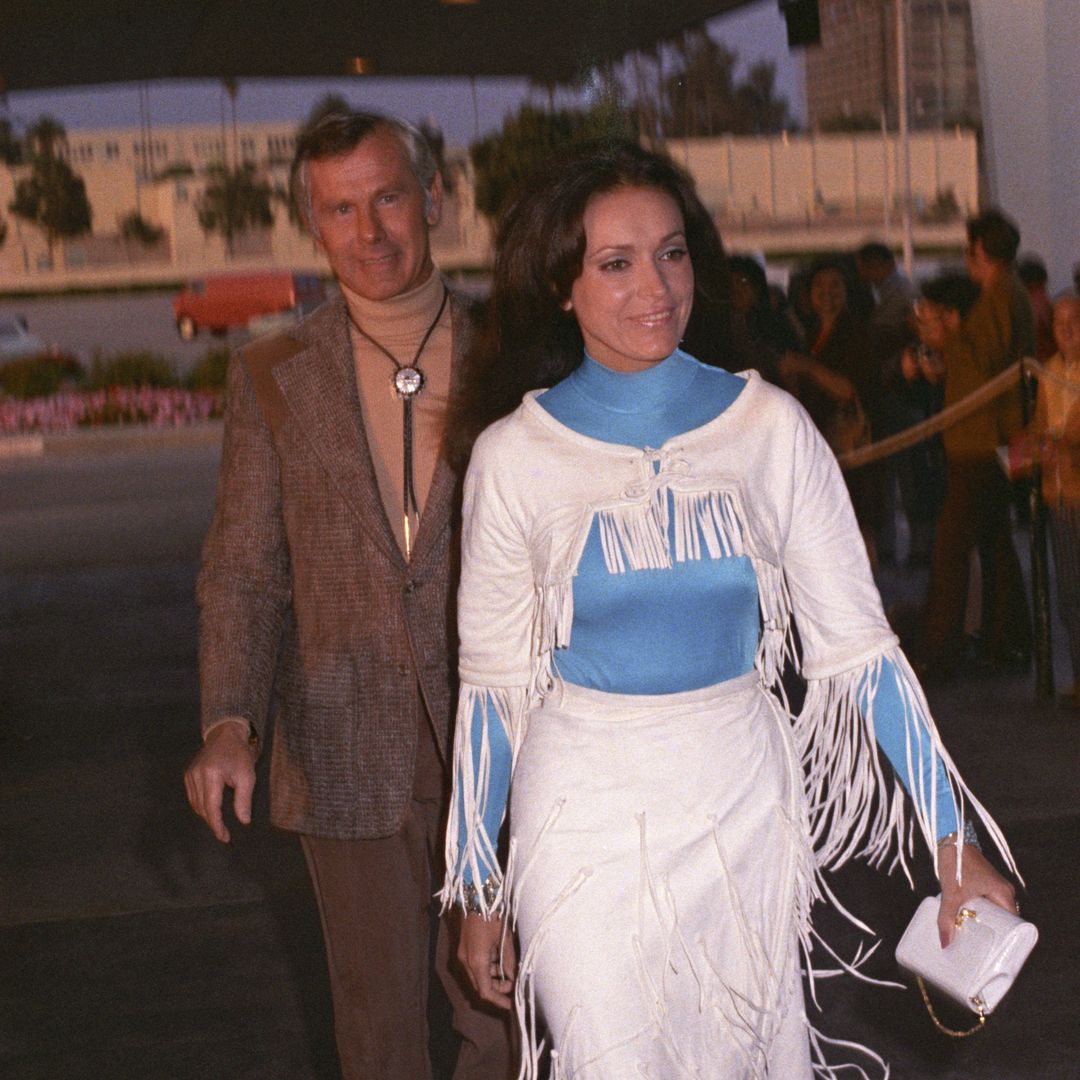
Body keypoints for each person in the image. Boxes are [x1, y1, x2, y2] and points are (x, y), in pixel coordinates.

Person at [440, 143, 1018, 1078]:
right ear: (561, 285)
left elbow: (861, 654)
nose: (656, 288)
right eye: (616, 263)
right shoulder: (516, 456)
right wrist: (475, 883)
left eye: (672, 253)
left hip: (741, 800)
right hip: (581, 818)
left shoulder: (770, 428)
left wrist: (953, 842)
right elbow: (493, 689)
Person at [183, 110, 512, 1080]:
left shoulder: (520, 355)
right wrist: (229, 720)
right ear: (314, 229)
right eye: (340, 210)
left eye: (388, 198)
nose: (368, 232)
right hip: (338, 750)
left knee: (504, 1016)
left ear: (435, 202)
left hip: (499, 751)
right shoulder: (272, 375)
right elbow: (244, 567)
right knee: (377, 1037)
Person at [915, 208, 1035, 679]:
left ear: (980, 251)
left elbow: (988, 361)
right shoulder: (1003, 295)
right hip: (977, 437)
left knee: (950, 546)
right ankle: (1009, 640)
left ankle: (940, 647)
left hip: (982, 442)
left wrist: (951, 335)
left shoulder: (1002, 296)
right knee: (993, 543)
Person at [780, 258, 885, 564]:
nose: (827, 293)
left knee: (859, 525)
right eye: (819, 286)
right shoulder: (811, 334)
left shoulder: (859, 333)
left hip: (853, 448)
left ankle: (869, 601)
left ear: (848, 290)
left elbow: (852, 389)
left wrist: (807, 368)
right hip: (823, 445)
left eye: (835, 285)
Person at [1029, 295, 1080, 705]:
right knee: (1068, 588)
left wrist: (1063, 441)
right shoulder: (1050, 371)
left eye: (1075, 320)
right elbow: (1040, 426)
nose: (1066, 329)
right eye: (1059, 322)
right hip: (1058, 493)